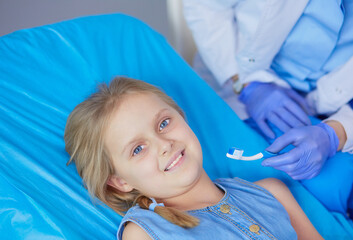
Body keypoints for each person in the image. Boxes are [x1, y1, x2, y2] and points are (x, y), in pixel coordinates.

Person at [64, 77, 323, 239]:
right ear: (119, 181)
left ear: (183, 119)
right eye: (138, 149)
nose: (164, 144)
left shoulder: (271, 192)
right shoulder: (144, 233)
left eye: (164, 123)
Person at [183, 0, 353, 181]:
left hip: (338, 108)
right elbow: (205, 5)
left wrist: (336, 133)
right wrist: (246, 84)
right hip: (239, 77)